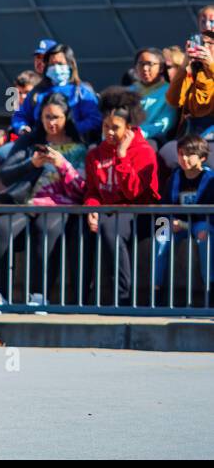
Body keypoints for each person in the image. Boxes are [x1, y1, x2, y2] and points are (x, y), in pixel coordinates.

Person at [0, 93, 86, 310]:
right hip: (27, 203)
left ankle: (39, 294)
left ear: (66, 117)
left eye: (56, 117)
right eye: (47, 117)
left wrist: (62, 164)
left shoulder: (79, 148)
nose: (51, 122)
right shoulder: (31, 142)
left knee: (45, 230)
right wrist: (32, 163)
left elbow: (81, 189)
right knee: (1, 228)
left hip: (61, 206)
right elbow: (6, 175)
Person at [83, 90, 160, 307]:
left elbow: (134, 192)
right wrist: (91, 209)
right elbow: (92, 191)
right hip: (107, 211)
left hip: (137, 211)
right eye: (105, 127)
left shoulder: (144, 151)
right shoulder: (94, 154)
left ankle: (122, 297)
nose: (109, 132)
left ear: (129, 128)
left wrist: (122, 157)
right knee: (77, 228)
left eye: (115, 128)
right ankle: (80, 296)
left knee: (110, 228)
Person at [151, 135, 213, 302]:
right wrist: (168, 221)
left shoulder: (210, 179)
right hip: (175, 222)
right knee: (160, 231)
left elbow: (209, 212)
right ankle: (156, 289)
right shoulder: (174, 177)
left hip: (200, 222)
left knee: (204, 235)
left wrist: (186, 224)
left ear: (202, 158)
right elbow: (165, 205)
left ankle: (210, 288)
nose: (183, 158)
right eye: (180, 153)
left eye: (189, 154)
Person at [8, 43, 101, 145]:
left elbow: (95, 119)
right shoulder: (38, 91)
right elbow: (20, 115)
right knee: (2, 154)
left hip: (73, 145)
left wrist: (68, 130)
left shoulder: (81, 91)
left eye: (60, 64)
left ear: (70, 65)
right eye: (52, 64)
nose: (56, 68)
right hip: (39, 144)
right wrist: (22, 127)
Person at [161, 29, 214, 171]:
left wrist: (211, 65)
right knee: (167, 151)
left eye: (210, 43)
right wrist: (185, 62)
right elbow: (173, 100)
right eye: (202, 43)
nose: (205, 47)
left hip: (210, 138)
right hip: (193, 138)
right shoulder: (194, 73)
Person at [131, 47, 177, 149]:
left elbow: (164, 124)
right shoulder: (128, 91)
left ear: (161, 68)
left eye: (150, 64)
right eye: (141, 64)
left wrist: (138, 134)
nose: (145, 68)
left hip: (152, 140)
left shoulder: (170, 92)